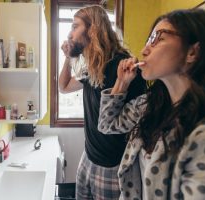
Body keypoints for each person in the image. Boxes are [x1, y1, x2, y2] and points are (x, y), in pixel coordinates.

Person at [98, 9, 205, 199]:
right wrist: (122, 83)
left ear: (193, 52)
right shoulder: (149, 105)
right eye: (149, 39)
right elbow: (107, 124)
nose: (144, 50)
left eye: (158, 38)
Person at [59, 5, 146, 199]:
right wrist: (67, 58)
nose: (70, 33)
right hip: (88, 157)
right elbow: (63, 87)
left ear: (93, 29)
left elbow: (134, 123)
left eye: (75, 27)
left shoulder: (123, 67)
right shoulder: (93, 66)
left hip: (111, 166)